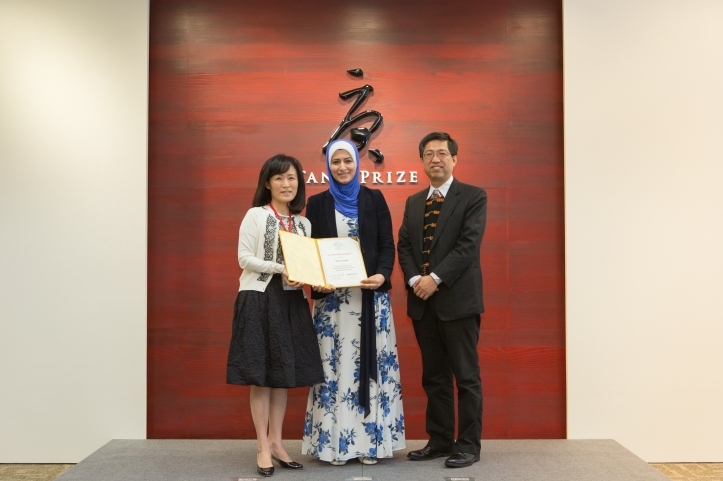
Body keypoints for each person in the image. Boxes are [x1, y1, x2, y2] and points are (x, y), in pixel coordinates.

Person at [301, 139, 405, 465]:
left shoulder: (374, 198)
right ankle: (335, 447)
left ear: (357, 163)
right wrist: (316, 279)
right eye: (336, 162)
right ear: (328, 166)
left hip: (370, 301)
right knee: (334, 372)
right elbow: (312, 250)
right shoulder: (317, 203)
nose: (343, 167)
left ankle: (370, 445)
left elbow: (388, 245)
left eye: (348, 160)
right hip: (333, 305)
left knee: (368, 370)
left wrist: (383, 275)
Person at [226, 154, 324, 477]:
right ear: (267, 182)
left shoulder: (304, 223)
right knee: (262, 374)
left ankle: (278, 442)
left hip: (291, 301)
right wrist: (282, 269)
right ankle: (262, 447)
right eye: (279, 178)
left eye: (292, 178)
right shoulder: (255, 215)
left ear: (300, 184)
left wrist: (305, 276)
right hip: (258, 298)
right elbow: (244, 258)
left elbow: (307, 264)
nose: (287, 184)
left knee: (283, 375)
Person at [397, 132, 487, 468]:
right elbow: (404, 245)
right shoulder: (414, 201)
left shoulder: (473, 197)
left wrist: (433, 279)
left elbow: (468, 246)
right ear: (421, 161)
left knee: (466, 376)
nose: (436, 159)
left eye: (442, 153)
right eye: (429, 154)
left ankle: (467, 445)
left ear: (454, 159)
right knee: (434, 376)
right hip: (423, 304)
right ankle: (439, 440)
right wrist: (413, 280)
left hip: (459, 302)